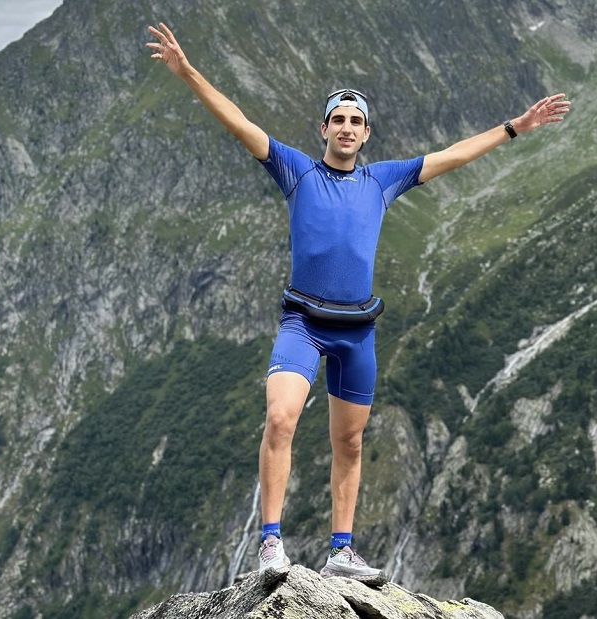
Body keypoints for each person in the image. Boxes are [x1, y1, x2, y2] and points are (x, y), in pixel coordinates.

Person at [147, 21, 570, 585]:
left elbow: (454, 156)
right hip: (302, 322)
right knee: (279, 418)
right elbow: (239, 122)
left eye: (356, 122)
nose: (346, 128)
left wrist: (515, 128)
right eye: (338, 120)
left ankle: (341, 552)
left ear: (367, 133)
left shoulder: (382, 180)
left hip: (356, 332)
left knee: (349, 441)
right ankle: (270, 543)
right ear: (323, 128)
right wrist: (189, 73)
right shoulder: (295, 169)